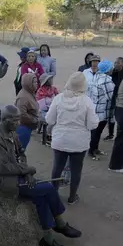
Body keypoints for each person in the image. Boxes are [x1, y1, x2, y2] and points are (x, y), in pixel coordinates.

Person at [0, 105, 82, 246]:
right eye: (15, 120)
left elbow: (21, 154)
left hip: (17, 175)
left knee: (41, 197)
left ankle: (48, 237)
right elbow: (1, 169)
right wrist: (26, 170)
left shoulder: (12, 132)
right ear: (4, 120)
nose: (18, 123)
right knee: (48, 188)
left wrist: (27, 174)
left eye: (19, 119)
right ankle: (60, 223)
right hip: (2, 182)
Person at [46, 72, 99, 204]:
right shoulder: (87, 101)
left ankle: (53, 195)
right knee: (76, 170)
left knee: (57, 168)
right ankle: (72, 197)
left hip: (60, 140)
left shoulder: (58, 98)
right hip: (79, 142)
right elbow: (92, 124)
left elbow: (49, 119)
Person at [84, 57, 115, 159]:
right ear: (108, 69)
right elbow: (111, 96)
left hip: (97, 108)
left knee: (97, 132)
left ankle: (95, 148)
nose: (112, 69)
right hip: (102, 110)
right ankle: (91, 151)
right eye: (111, 68)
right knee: (96, 133)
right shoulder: (106, 80)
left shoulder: (98, 76)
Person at [15, 73, 40, 150]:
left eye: (37, 82)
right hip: (23, 128)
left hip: (28, 128)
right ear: (28, 83)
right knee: (19, 150)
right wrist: (34, 119)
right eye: (34, 82)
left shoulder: (29, 93)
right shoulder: (23, 97)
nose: (37, 84)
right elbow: (21, 114)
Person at [106, 57, 123, 141]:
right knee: (111, 117)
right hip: (112, 97)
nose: (116, 64)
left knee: (119, 118)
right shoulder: (113, 72)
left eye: (118, 63)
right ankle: (111, 134)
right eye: (115, 63)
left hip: (121, 99)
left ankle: (118, 135)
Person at [36, 73, 59, 145]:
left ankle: (53, 134)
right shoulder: (40, 92)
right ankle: (48, 135)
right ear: (46, 81)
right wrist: (52, 108)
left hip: (53, 109)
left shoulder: (54, 89)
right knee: (51, 119)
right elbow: (42, 107)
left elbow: (59, 99)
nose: (52, 80)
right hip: (43, 111)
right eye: (50, 79)